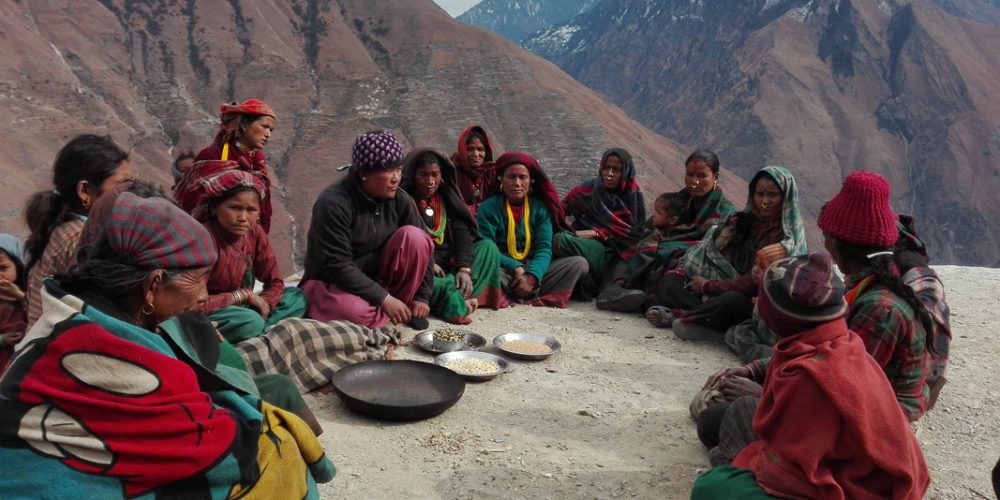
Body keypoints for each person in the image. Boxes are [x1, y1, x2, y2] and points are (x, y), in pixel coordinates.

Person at [0, 191, 334, 498]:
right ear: (153, 284)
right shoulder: (112, 351)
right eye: (199, 280)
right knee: (277, 453)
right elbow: (214, 452)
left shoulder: (71, 312)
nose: (204, 295)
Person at [691, 252, 930, 500]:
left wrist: (752, 463)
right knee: (724, 421)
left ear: (775, 320)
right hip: (859, 472)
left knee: (710, 487)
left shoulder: (806, 378)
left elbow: (799, 468)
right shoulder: (846, 343)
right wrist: (752, 372)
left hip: (849, 488)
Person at [646, 166, 806, 341]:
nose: (764, 201)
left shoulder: (787, 242)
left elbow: (753, 284)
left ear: (785, 199)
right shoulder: (745, 223)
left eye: (772, 195)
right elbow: (719, 255)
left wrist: (708, 286)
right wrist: (728, 231)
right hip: (722, 285)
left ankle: (682, 316)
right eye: (759, 194)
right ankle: (703, 320)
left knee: (732, 302)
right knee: (671, 281)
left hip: (752, 302)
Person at [300, 130, 434, 329]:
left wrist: (422, 297)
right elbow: (337, 265)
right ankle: (392, 311)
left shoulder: (399, 199)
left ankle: (396, 308)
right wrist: (384, 298)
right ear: (364, 174)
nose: (396, 178)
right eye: (388, 171)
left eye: (398, 169)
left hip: (377, 280)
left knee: (416, 237)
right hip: (333, 283)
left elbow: (426, 248)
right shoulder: (333, 204)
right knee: (352, 312)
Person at [598, 149, 737, 312]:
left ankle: (643, 299)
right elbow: (649, 227)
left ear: (716, 177)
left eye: (701, 176)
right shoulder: (678, 201)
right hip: (669, 244)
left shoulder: (725, 212)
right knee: (640, 244)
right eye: (690, 175)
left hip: (698, 257)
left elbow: (715, 246)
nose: (695, 182)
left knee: (667, 257)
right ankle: (617, 289)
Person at [23, 134, 135, 328]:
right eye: (122, 185)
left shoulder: (65, 230)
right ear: (85, 191)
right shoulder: (81, 237)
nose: (132, 194)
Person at [187, 167, 307, 343]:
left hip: (247, 308)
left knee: (297, 297)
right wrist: (243, 296)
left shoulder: (255, 234)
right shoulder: (203, 240)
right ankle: (255, 328)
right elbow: (193, 303)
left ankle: (258, 325)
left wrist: (265, 304)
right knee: (248, 322)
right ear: (214, 209)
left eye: (251, 210)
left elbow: (274, 282)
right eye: (235, 208)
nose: (243, 217)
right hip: (211, 311)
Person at [400, 148, 507, 323]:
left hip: (450, 264)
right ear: (412, 176)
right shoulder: (403, 201)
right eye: (423, 175)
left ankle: (456, 293)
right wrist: (428, 262)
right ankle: (455, 301)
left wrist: (464, 268)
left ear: (442, 176)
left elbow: (462, 232)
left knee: (488, 248)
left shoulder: (447, 200)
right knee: (435, 284)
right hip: (422, 269)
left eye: (434, 174)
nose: (430, 181)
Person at [476, 151, 589, 308]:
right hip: (503, 270)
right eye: (511, 177)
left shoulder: (540, 208)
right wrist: (514, 267)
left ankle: (528, 291)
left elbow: (544, 247)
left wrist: (532, 277)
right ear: (501, 179)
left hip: (534, 270)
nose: (517, 183)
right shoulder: (488, 208)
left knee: (578, 264)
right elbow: (487, 246)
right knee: (485, 266)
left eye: (522, 178)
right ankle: (522, 292)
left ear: (531, 181)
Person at [555, 148, 646, 298]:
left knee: (560, 241)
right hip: (584, 245)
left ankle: (612, 292)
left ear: (626, 172)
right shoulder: (587, 190)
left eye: (616, 170)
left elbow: (635, 235)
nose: (609, 174)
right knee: (559, 239)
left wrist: (597, 233)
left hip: (615, 251)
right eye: (606, 168)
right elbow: (559, 210)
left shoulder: (633, 196)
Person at [187, 98, 276, 233]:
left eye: (271, 130)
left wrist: (258, 242)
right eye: (264, 127)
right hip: (211, 238)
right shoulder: (212, 156)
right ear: (244, 125)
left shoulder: (259, 164)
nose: (268, 134)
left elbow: (265, 213)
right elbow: (192, 204)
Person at [450, 125, 498, 215]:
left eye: (480, 149)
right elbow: (453, 203)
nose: (476, 154)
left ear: (486, 151)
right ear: (463, 150)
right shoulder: (453, 172)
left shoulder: (493, 173)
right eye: (470, 149)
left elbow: (497, 203)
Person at [0, 236, 26, 373]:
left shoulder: (31, 291)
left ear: (18, 264)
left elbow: (41, 313)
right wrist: (2, 340)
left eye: (3, 268)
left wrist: (20, 297)